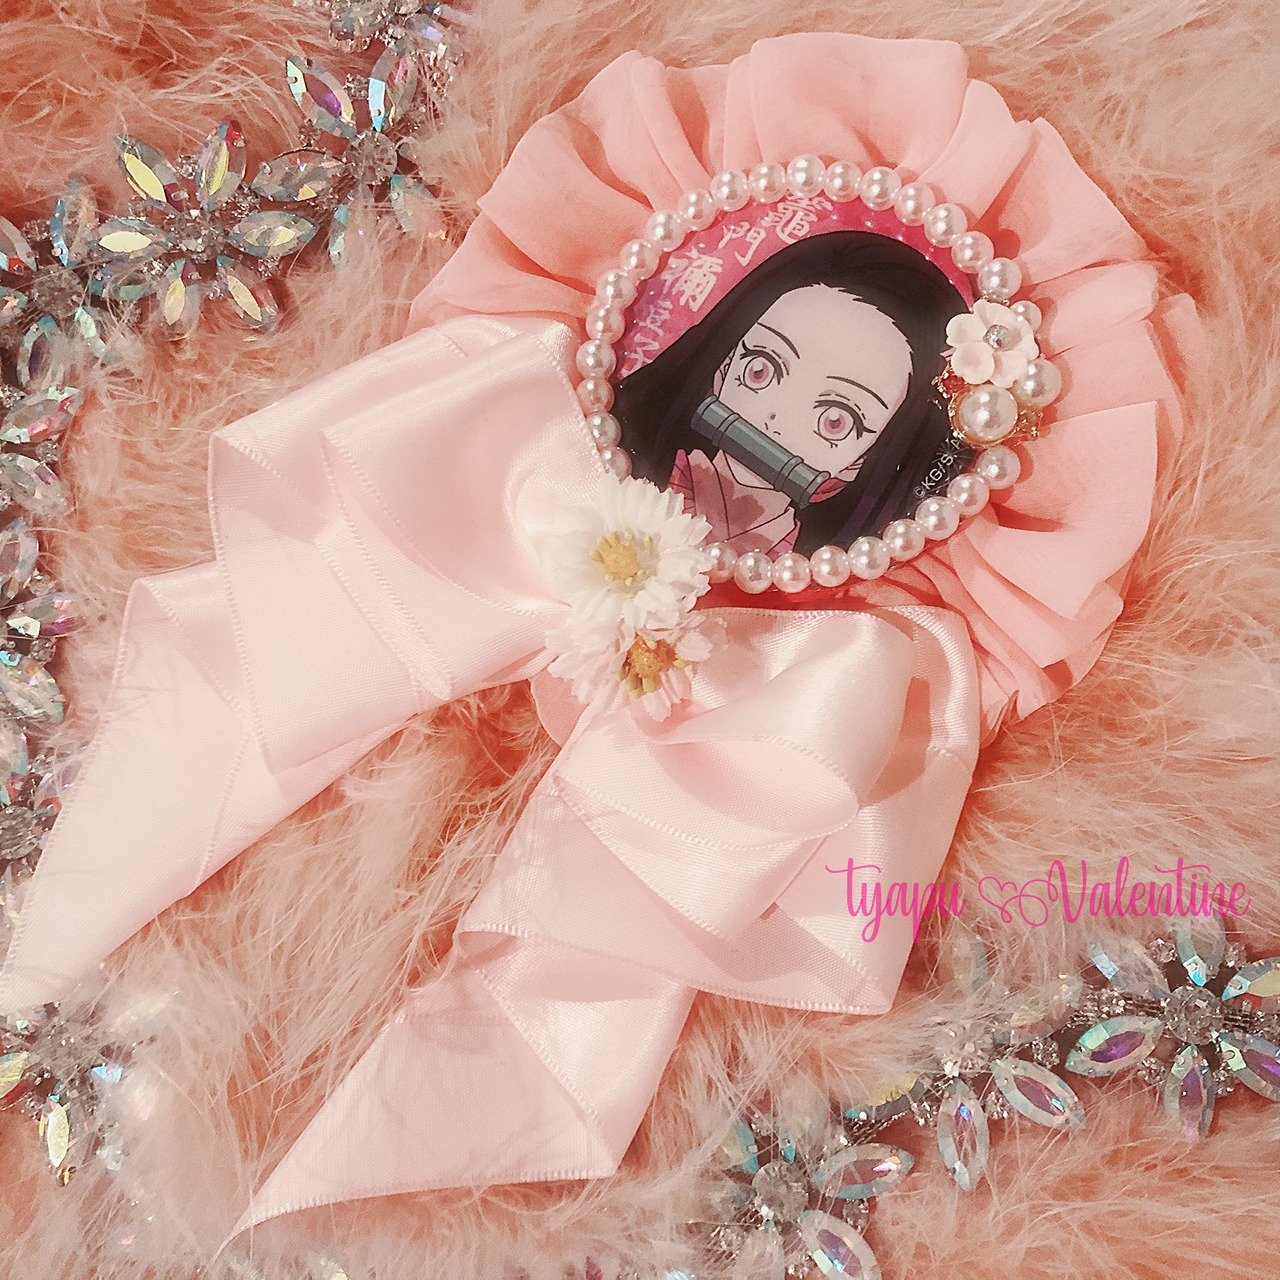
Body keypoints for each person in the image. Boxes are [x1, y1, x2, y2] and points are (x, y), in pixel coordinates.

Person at [614, 230, 974, 557]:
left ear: (861, 460)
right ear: (723, 366)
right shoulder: (626, 467)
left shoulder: (828, 560)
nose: (776, 420)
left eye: (836, 420)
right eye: (760, 369)